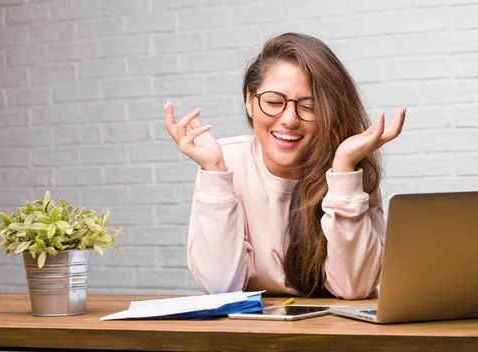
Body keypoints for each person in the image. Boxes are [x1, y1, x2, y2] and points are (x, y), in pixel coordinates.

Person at [165, 33, 406, 300]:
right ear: (249, 100)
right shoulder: (225, 162)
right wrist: (215, 172)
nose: (289, 119)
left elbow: (354, 288)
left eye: (310, 106)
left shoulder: (349, 169)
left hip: (339, 332)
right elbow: (220, 285)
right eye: (273, 102)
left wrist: (343, 170)